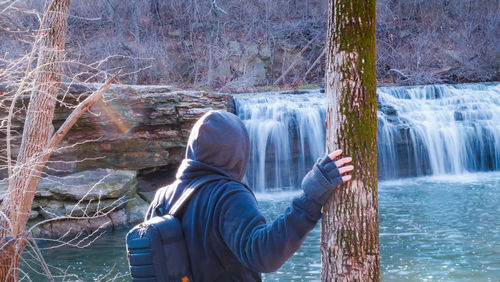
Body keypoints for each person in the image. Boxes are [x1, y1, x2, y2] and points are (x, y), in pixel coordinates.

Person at [146, 110, 353, 281]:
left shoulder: (162, 198)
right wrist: (312, 194)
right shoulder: (226, 194)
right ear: (238, 151)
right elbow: (264, 254)